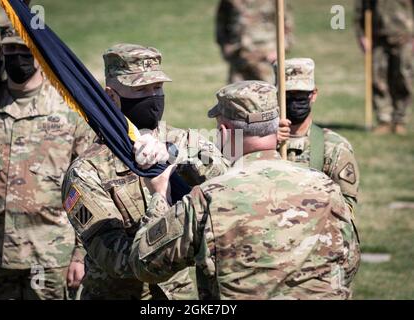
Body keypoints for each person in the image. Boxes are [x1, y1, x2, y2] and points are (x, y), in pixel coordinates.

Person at [129, 80, 361, 300]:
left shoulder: (208, 198)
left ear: (225, 130)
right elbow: (350, 260)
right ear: (274, 126)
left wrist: (159, 195)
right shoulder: (327, 187)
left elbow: (145, 264)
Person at [61, 43, 230, 300]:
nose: (153, 98)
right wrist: (159, 199)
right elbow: (117, 259)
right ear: (111, 97)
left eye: (158, 88)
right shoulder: (86, 171)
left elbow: (228, 186)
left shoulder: (184, 141)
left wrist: (176, 157)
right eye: (141, 90)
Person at [0, 23, 94, 300]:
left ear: (39, 53)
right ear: (0, 52)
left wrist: (81, 255)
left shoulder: (68, 109)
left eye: (23, 49)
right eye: (9, 49)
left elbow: (88, 189)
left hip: (50, 256)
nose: (17, 56)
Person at [277, 58, 360, 212]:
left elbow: (346, 209)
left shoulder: (334, 147)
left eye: (301, 94)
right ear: (277, 96)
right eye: (288, 94)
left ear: (313, 94)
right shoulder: (260, 143)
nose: (295, 101)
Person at [354, 0, 413, 135]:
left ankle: (400, 120)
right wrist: (361, 35)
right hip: (377, 37)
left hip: (404, 36)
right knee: (378, 79)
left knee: (403, 78)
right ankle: (384, 120)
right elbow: (360, 10)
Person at [215, 0, 294, 84]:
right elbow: (221, 21)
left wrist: (281, 49)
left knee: (269, 93)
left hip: (266, 56)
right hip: (239, 56)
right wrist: (225, 47)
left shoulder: (275, 2)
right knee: (234, 94)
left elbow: (286, 25)